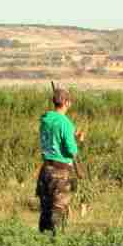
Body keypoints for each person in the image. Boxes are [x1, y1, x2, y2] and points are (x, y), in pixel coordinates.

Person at [37, 84, 80, 232]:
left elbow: (54, 138)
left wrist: (71, 136)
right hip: (60, 172)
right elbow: (70, 150)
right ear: (67, 102)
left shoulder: (45, 120)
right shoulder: (66, 123)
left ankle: (42, 243)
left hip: (46, 170)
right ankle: (57, 244)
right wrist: (76, 141)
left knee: (45, 211)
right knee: (58, 212)